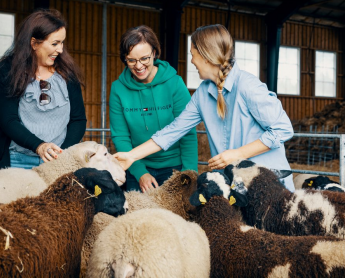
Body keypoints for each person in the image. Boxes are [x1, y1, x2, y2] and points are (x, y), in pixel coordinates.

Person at [114, 24, 295, 192]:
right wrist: (132, 156)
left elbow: (283, 128)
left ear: (206, 56)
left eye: (193, 54)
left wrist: (238, 154)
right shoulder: (202, 94)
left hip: (268, 185)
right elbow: (173, 131)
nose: (191, 61)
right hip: (236, 185)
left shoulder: (248, 86)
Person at [0, 9, 86, 169]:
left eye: (62, 42)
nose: (61, 49)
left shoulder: (67, 73)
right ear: (34, 43)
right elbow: (8, 120)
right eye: (55, 43)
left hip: (57, 162)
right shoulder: (7, 70)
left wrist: (62, 154)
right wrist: (39, 146)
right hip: (17, 161)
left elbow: (78, 119)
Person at [109, 25, 198, 192]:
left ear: (155, 53)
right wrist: (140, 172)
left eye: (145, 58)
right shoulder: (118, 89)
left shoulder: (174, 83)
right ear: (124, 59)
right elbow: (121, 136)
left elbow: (187, 132)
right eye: (131, 60)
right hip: (138, 167)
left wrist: (188, 174)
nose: (139, 66)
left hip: (174, 167)